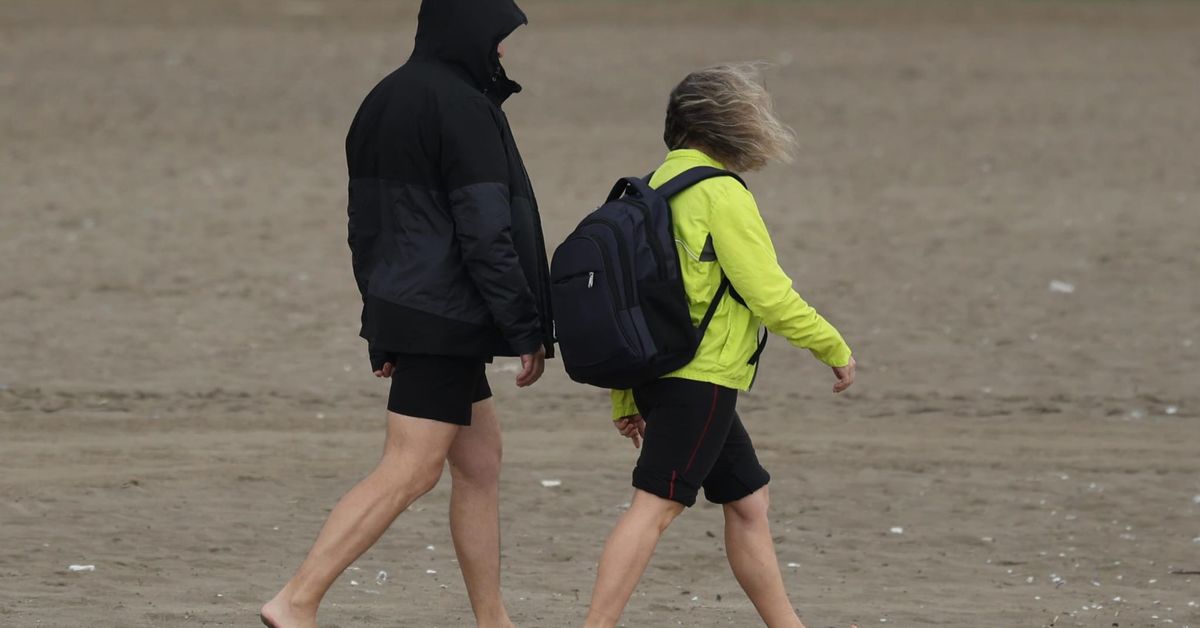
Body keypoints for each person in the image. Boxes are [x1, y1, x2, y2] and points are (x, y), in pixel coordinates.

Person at [261, 1, 552, 626]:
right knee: (410, 469)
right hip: (446, 317)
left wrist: (382, 321)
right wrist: (526, 326)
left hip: (414, 310)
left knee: (479, 461)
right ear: (471, 34)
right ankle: (296, 600)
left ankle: (492, 620)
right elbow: (485, 232)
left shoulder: (383, 99)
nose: (503, 52)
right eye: (498, 38)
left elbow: (365, 228)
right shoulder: (463, 107)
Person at [582, 64, 857, 628]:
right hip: (700, 377)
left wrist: (625, 396)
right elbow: (769, 296)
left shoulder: (650, 188)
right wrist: (832, 345)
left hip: (661, 374)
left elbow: (626, 303)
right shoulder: (720, 194)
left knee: (748, 502)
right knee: (654, 507)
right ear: (727, 126)